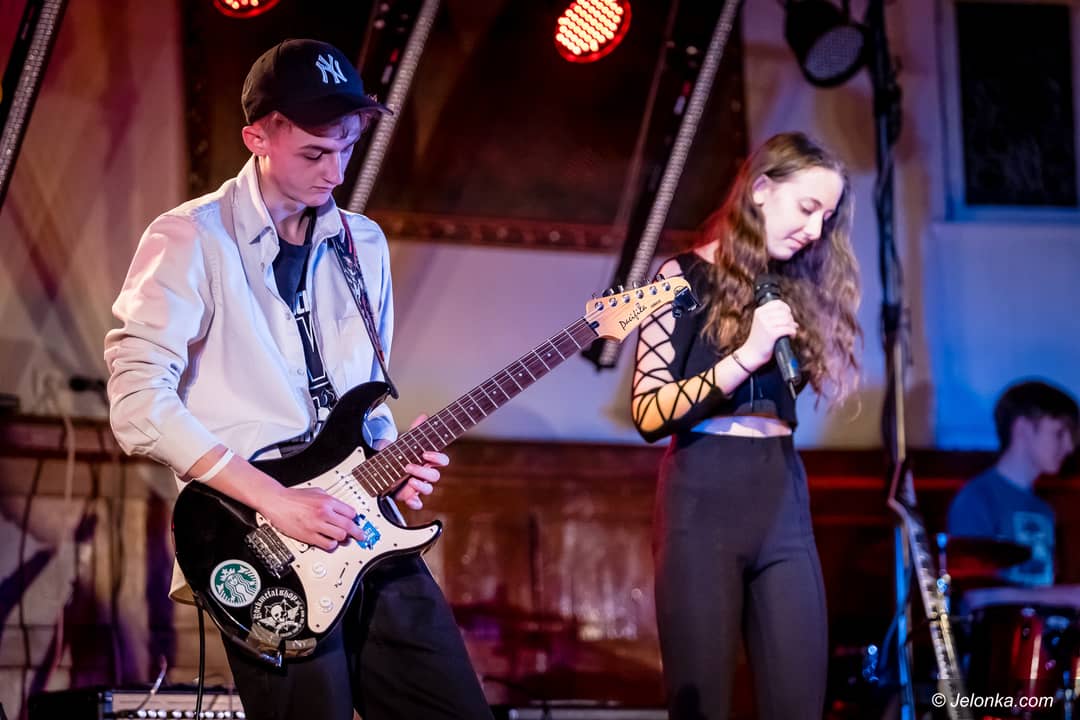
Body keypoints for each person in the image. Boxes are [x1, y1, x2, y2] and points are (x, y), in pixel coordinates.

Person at [105, 38, 493, 720]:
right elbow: (137, 402)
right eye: (315, 153)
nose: (335, 172)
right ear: (257, 137)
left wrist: (392, 458)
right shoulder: (190, 238)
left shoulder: (362, 243)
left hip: (364, 525)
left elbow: (365, 393)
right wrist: (276, 501)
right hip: (254, 537)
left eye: (347, 148)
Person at [631, 131, 862, 720]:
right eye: (807, 208)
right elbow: (648, 412)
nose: (815, 230)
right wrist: (746, 356)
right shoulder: (678, 277)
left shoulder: (794, 288)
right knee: (702, 703)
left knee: (798, 702)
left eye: (826, 218)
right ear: (761, 189)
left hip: (781, 492)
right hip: (702, 497)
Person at [947, 380, 1078, 587]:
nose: (1069, 446)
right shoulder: (976, 498)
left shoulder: (1044, 509)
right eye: (1059, 433)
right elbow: (974, 593)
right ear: (1023, 428)